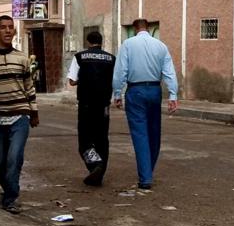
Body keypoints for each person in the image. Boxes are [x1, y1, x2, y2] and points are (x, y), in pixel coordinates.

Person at [0, 15, 38, 214]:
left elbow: (29, 87)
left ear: (14, 31)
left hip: (21, 116)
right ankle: (7, 192)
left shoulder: (22, 58)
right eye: (3, 27)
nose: (7, 31)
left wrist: (34, 111)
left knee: (14, 159)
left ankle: (11, 198)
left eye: (11, 27)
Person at [112, 19, 179, 191]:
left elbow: (121, 71)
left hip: (136, 91)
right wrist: (173, 94)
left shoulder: (128, 44)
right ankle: (149, 169)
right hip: (155, 91)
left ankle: (145, 177)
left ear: (135, 29)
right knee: (154, 132)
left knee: (140, 134)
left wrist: (117, 92)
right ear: (148, 28)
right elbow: (169, 71)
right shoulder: (161, 46)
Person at [67, 30, 116, 186]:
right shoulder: (111, 59)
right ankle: (100, 172)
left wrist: (85, 78)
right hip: (104, 105)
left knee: (85, 141)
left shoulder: (80, 57)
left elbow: (72, 81)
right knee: (102, 139)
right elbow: (116, 80)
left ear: (88, 42)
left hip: (86, 104)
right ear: (102, 42)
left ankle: (95, 165)